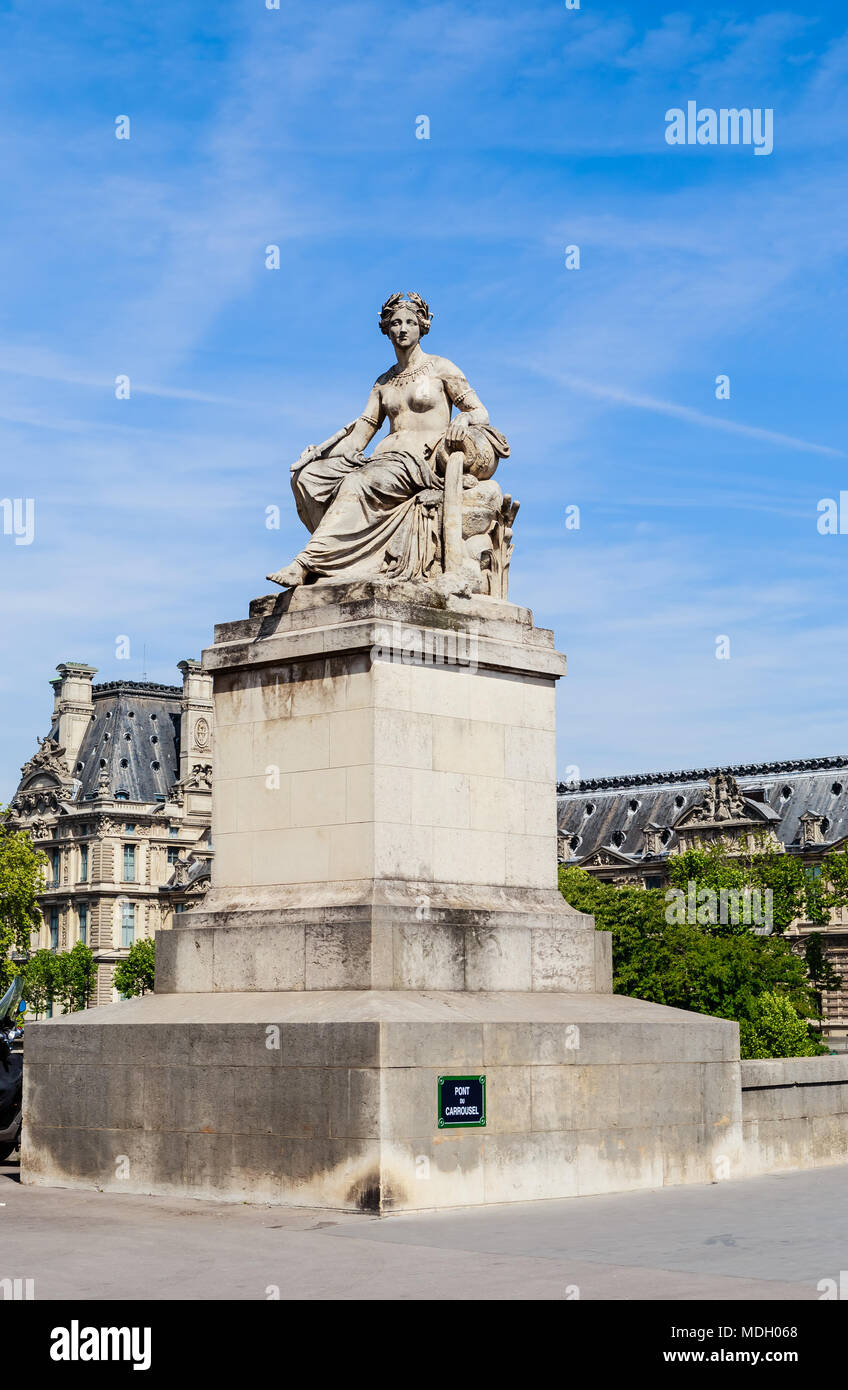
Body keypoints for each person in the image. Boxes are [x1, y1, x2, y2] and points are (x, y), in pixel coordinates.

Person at [267, 292, 507, 586]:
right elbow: (359, 438)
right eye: (395, 323)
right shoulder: (383, 382)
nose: (402, 329)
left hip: (420, 463)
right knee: (309, 477)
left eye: (409, 322)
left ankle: (306, 562)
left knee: (357, 483)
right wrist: (321, 455)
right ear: (386, 329)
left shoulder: (441, 368)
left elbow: (480, 411)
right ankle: (341, 564)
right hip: (382, 461)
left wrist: (463, 418)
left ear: (422, 326)